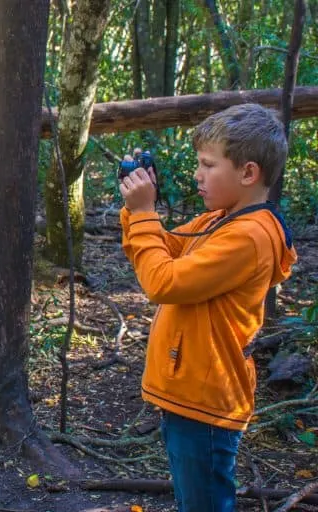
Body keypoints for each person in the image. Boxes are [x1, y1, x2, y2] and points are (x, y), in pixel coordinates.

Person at [118, 103, 298, 512]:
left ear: (248, 173)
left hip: (207, 401)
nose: (198, 175)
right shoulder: (218, 221)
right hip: (189, 391)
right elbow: (165, 248)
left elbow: (163, 281)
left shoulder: (249, 237)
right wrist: (137, 209)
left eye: (207, 165)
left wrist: (145, 212)